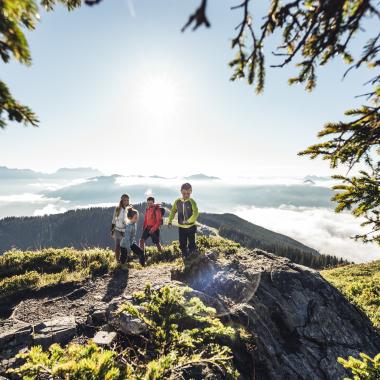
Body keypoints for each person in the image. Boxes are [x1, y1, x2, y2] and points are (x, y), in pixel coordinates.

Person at [168, 183, 199, 257]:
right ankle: (184, 258)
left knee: (192, 244)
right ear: (181, 192)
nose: (186, 195)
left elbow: (196, 213)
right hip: (181, 227)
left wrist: (188, 221)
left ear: (191, 192)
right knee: (182, 244)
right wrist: (170, 221)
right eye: (184, 193)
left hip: (191, 227)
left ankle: (193, 259)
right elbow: (173, 211)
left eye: (188, 193)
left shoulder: (192, 201)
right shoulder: (177, 201)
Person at [111, 194, 131, 262]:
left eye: (127, 200)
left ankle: (126, 259)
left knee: (125, 246)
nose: (126, 201)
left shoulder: (130, 209)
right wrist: (112, 230)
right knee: (117, 245)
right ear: (121, 200)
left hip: (126, 230)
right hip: (117, 229)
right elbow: (114, 220)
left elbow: (132, 219)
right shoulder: (117, 209)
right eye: (124, 200)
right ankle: (117, 260)